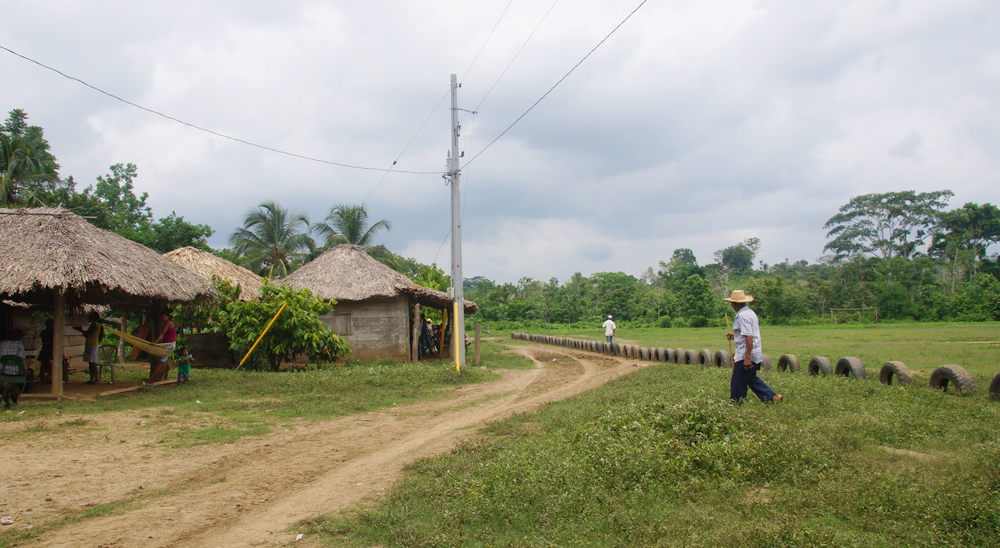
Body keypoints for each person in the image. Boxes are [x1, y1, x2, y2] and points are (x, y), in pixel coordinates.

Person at [724, 290, 782, 404]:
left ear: (735, 304)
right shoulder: (750, 312)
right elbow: (747, 333)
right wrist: (735, 335)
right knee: (751, 378)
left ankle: (736, 405)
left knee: (737, 381)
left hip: (745, 354)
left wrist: (747, 358)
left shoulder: (742, 316)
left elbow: (749, 337)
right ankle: (772, 397)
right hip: (754, 352)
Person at [73, 313, 104, 384]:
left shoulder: (96, 326)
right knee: (90, 362)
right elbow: (87, 334)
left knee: (93, 363)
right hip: (90, 344)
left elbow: (88, 334)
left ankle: (96, 379)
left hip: (93, 345)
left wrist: (80, 330)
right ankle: (92, 379)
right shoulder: (94, 325)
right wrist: (81, 331)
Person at [0, 329, 32, 393]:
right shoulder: (19, 344)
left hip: (2, 370)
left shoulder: (2, 343)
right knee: (30, 371)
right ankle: (25, 391)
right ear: (19, 337)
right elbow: (21, 359)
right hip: (16, 371)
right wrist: (24, 370)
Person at [150, 311, 177, 382]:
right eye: (162, 317)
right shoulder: (168, 323)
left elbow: (162, 333)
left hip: (168, 346)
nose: (163, 318)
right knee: (161, 366)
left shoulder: (168, 323)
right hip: (169, 346)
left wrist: (155, 342)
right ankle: (152, 381)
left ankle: (149, 382)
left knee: (159, 365)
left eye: (164, 316)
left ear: (168, 317)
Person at [37, 319, 54, 383]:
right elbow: (45, 341)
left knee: (50, 364)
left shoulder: (53, 331)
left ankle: (49, 377)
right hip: (46, 349)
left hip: (51, 349)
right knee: (45, 363)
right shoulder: (45, 332)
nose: (52, 325)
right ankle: (44, 377)